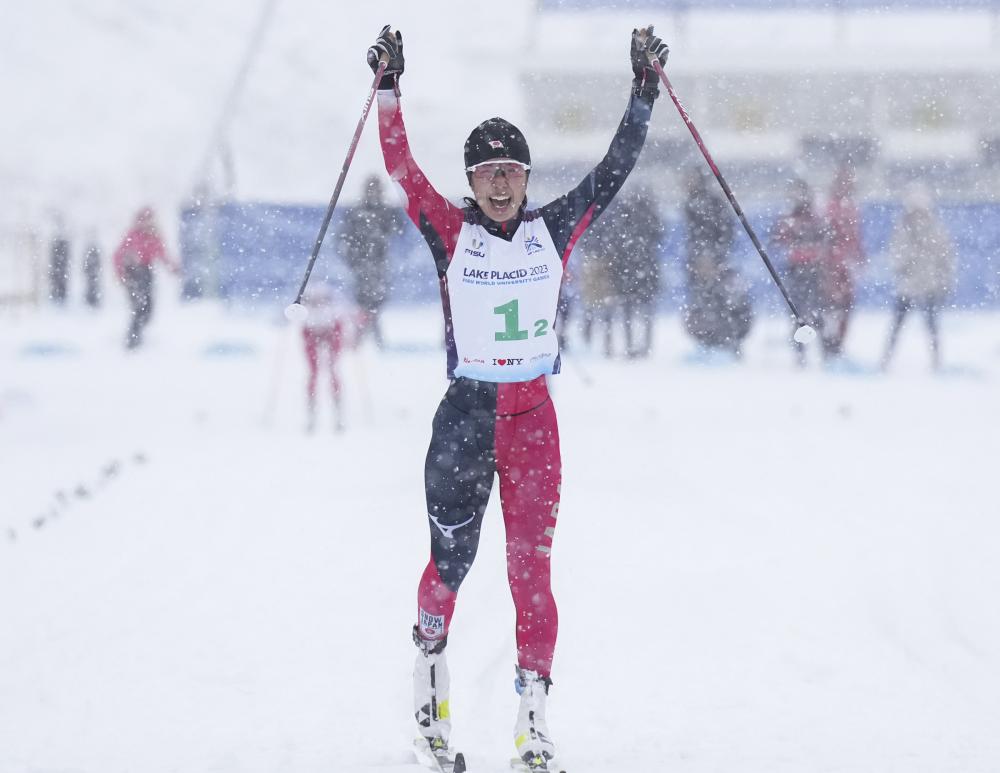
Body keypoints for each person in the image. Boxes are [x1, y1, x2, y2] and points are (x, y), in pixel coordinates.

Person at [367, 23, 668, 770]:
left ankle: (533, 725)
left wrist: (642, 93)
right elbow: (402, 169)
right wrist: (388, 89)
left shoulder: (553, 227)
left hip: (534, 424)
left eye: (510, 169)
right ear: (470, 182)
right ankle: (427, 686)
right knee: (450, 564)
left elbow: (613, 169)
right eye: (487, 171)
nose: (500, 181)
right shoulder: (449, 231)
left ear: (526, 178)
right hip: (465, 421)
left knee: (531, 571)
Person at [880, 183, 956, 371]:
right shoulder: (904, 229)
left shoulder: (935, 230)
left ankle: (935, 360)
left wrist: (943, 279)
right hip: (909, 284)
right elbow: (896, 255)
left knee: (929, 325)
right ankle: (887, 359)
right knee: (900, 324)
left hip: (927, 283)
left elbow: (946, 256)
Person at [681, 166, 753, 356]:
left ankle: (726, 342)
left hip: (714, 260)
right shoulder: (690, 203)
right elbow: (693, 236)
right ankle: (708, 344)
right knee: (701, 304)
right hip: (699, 261)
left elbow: (724, 232)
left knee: (721, 303)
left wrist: (713, 255)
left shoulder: (712, 203)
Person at [771, 178, 827, 367]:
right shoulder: (789, 220)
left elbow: (824, 241)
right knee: (797, 315)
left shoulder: (815, 220)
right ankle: (800, 354)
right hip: (796, 271)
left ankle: (824, 352)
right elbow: (778, 243)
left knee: (818, 313)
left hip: (813, 271)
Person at [112, 207, 179, 349]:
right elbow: (118, 255)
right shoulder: (133, 236)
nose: (146, 223)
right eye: (144, 220)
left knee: (148, 309)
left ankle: (137, 334)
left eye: (149, 220)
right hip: (133, 274)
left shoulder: (154, 237)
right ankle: (132, 339)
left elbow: (162, 254)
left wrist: (173, 268)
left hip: (147, 274)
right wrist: (121, 274)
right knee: (139, 306)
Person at [342, 175, 396, 348]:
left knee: (376, 300)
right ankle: (363, 331)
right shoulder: (357, 212)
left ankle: (369, 330)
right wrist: (353, 257)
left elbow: (396, 229)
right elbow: (345, 236)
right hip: (362, 262)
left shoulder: (386, 212)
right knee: (363, 300)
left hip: (378, 262)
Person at [609, 188, 662, 358]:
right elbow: (658, 237)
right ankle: (644, 345)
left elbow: (616, 243)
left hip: (629, 271)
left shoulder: (624, 219)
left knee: (629, 311)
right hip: (643, 270)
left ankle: (633, 345)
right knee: (642, 311)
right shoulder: (650, 218)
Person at [821, 164, 865, 359]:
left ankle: (837, 345)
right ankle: (829, 346)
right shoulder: (830, 207)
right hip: (832, 266)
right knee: (832, 307)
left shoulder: (852, 207)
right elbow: (828, 236)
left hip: (846, 265)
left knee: (844, 308)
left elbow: (855, 238)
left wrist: (858, 256)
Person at [300, 284, 350, 433]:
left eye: (321, 300)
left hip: (331, 329)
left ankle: (338, 415)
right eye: (314, 300)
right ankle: (311, 416)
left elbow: (343, 314)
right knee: (314, 372)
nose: (317, 302)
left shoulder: (334, 299)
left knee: (332, 370)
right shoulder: (305, 295)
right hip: (310, 331)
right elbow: (292, 313)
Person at [49, 215, 70, 305]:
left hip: (59, 268)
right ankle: (59, 297)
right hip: (60, 268)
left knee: (59, 282)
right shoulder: (62, 243)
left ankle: (59, 297)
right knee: (59, 282)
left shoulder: (58, 243)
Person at [82, 230, 102, 308]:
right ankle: (91, 300)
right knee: (91, 286)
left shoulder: (93, 250)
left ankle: (92, 300)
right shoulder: (91, 250)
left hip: (93, 272)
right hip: (91, 272)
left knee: (93, 286)